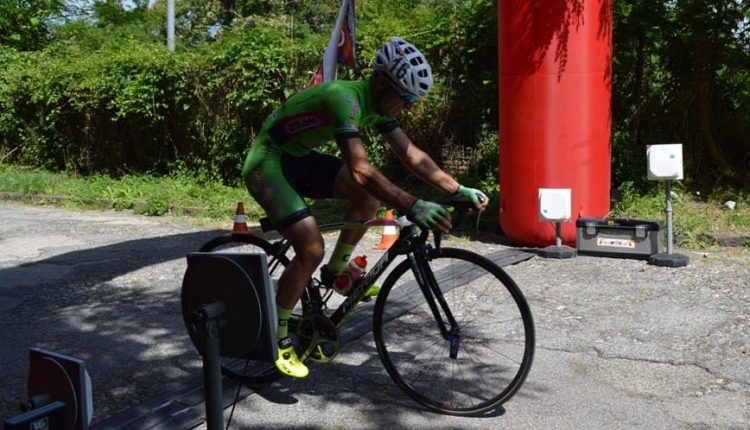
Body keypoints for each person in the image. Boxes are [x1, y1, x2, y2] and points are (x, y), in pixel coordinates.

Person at [242, 36, 489, 378]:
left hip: (298, 158)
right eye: (406, 98)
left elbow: (412, 155)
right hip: (267, 163)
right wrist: (412, 204)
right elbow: (361, 169)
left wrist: (458, 188)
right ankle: (278, 337)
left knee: (367, 198)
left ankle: (335, 273)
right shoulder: (343, 99)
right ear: (383, 83)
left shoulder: (376, 106)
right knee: (311, 247)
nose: (408, 106)